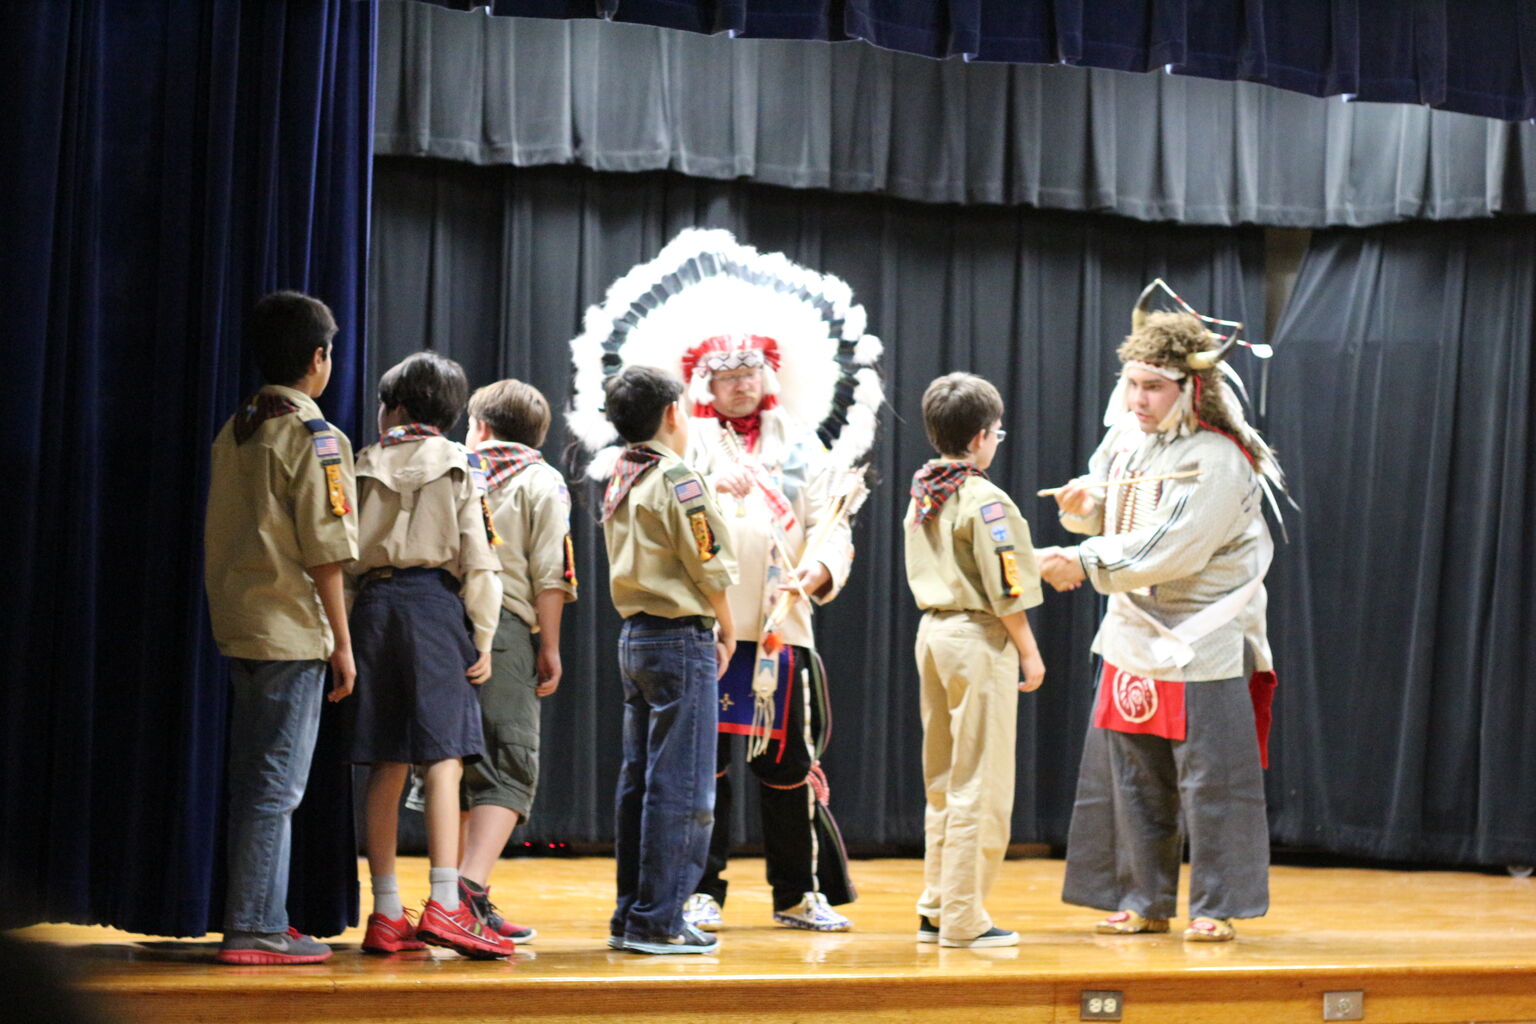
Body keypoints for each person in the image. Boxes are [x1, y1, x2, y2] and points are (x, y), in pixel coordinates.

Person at [1039, 304, 1283, 944]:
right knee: (1130, 775)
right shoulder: (1125, 441)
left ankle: (1216, 903)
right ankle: (1141, 897)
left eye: (1154, 387)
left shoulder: (1220, 458)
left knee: (1213, 780)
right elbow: (1113, 513)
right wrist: (1086, 508)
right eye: (1132, 384)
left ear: (1190, 388)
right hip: (1131, 633)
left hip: (1199, 636)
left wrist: (1080, 559)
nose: (1138, 398)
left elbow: (1175, 549)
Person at [680, 336, 859, 933]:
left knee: (788, 766)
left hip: (784, 626)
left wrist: (823, 566)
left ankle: (797, 891)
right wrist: (710, 487)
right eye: (725, 374)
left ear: (769, 374)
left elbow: (832, 521)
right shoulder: (688, 441)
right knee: (703, 766)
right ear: (706, 381)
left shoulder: (803, 443)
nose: (739, 383)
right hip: (711, 627)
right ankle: (699, 889)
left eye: (749, 370)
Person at [204, 290, 357, 965]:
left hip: (239, 618)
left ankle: (257, 915)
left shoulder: (237, 425)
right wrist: (344, 644)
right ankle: (255, 926)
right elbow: (326, 550)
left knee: (255, 782)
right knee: (277, 785)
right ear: (319, 358)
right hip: (291, 626)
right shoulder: (314, 435)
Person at [348, 351, 509, 959]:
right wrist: (486, 637)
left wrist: (342, 638)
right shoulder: (463, 465)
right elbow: (481, 561)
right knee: (443, 759)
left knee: (386, 761)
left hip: (373, 610)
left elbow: (342, 557)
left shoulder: (362, 462)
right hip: (436, 609)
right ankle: (445, 902)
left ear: (397, 408)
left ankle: (385, 911)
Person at [902, 372, 1046, 949]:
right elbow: (1007, 585)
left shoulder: (923, 489)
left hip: (932, 634)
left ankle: (937, 905)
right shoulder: (985, 498)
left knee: (942, 780)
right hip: (975, 638)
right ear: (983, 436)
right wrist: (1030, 654)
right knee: (980, 781)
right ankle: (965, 917)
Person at [600, 365, 738, 955]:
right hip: (681, 636)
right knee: (683, 788)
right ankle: (659, 920)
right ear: (672, 414)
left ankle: (632, 913)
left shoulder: (621, 474)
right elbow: (710, 563)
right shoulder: (680, 477)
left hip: (635, 633)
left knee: (641, 782)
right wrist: (727, 629)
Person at [455, 379, 578, 943]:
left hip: (443, 625)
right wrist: (548, 646)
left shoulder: (455, 468)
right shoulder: (542, 480)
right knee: (508, 765)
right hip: (505, 629)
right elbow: (551, 571)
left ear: (480, 426)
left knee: (450, 764)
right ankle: (467, 892)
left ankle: (450, 893)